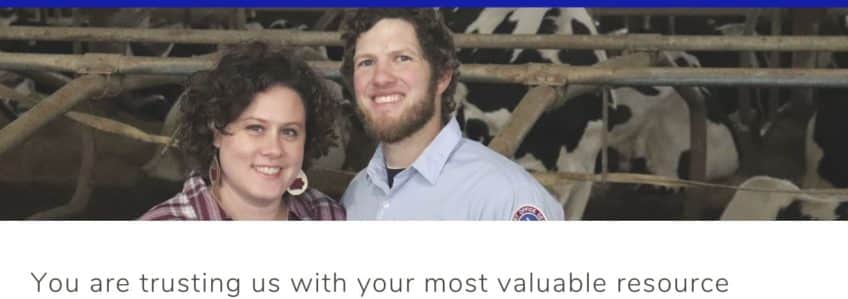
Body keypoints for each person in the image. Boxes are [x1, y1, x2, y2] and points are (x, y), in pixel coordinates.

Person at [340, 8, 564, 220]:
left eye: (402, 58)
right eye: (366, 62)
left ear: (442, 78)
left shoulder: (507, 197)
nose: (381, 78)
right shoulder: (356, 195)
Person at [141, 42, 345, 220]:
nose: (274, 149)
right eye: (255, 128)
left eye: (289, 132)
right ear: (217, 131)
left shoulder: (328, 216)